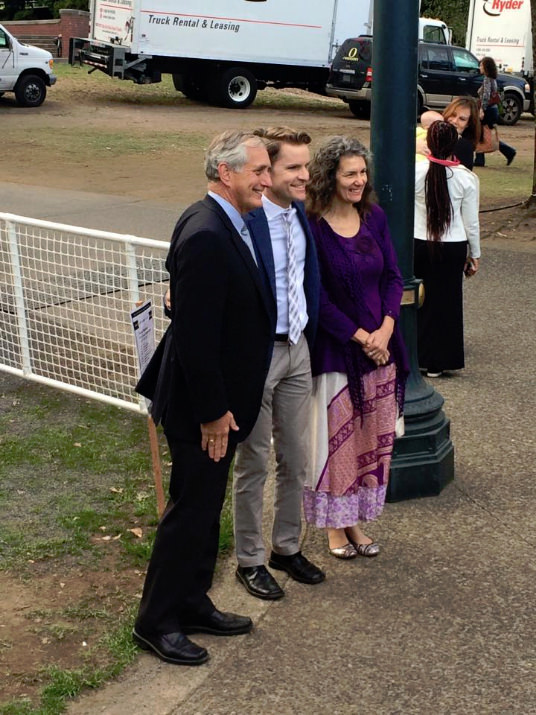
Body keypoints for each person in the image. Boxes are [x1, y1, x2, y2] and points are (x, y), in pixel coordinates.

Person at [133, 130, 273, 666]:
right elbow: (194, 337)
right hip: (202, 409)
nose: (267, 179)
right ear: (225, 172)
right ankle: (156, 620)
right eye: (258, 170)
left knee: (206, 508)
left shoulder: (231, 221)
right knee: (189, 511)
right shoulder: (207, 231)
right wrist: (214, 413)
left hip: (226, 403)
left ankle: (191, 601)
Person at [303, 136, 408, 560]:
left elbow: (393, 278)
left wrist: (384, 330)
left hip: (382, 351)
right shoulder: (312, 225)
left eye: (363, 172)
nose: (359, 180)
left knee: (369, 444)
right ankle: (333, 527)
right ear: (330, 177)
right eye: (350, 173)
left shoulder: (375, 218)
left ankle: (356, 522)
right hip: (337, 353)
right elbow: (317, 296)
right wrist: (361, 337)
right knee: (338, 444)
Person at [233, 126, 325, 600]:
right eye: (294, 167)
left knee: (297, 459)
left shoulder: (302, 214)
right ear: (267, 173)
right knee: (255, 461)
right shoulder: (245, 221)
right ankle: (248, 559)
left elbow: (310, 279)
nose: (305, 175)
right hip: (257, 355)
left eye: (306, 165)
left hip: (297, 351)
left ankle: (285, 548)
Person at [414, 121, 481, 378]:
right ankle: (438, 361)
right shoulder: (466, 178)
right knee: (446, 303)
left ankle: (414, 352)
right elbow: (471, 222)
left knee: (417, 299)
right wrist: (474, 254)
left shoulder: (416, 171)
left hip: (418, 241)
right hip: (452, 245)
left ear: (428, 143)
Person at [474, 56, 516, 167]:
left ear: (486, 67)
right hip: (493, 109)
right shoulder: (493, 79)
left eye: (481, 65)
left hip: (488, 110)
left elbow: (486, 96)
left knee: (482, 133)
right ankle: (481, 158)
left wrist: (482, 109)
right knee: (484, 133)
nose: (479, 67)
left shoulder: (487, 79)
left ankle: (508, 152)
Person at [443, 96, 481, 170]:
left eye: (462, 119)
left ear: (468, 124)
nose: (454, 121)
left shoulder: (464, 146)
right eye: (453, 115)